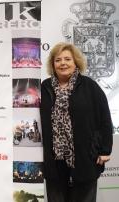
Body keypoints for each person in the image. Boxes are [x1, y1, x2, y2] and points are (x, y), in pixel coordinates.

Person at [40, 42, 113, 202]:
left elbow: (105, 119)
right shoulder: (44, 87)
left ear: (76, 62)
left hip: (84, 157)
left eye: (67, 59)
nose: (63, 63)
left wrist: (105, 149)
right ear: (53, 64)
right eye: (58, 60)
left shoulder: (90, 86)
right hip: (54, 161)